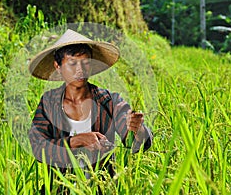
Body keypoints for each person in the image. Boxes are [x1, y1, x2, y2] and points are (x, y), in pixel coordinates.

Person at [28, 29, 153, 191]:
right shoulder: (48, 103)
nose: (80, 69)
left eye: (85, 62)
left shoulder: (109, 101)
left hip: (102, 188)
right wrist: (76, 141)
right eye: (72, 63)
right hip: (59, 189)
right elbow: (38, 147)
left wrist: (138, 129)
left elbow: (135, 143)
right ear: (58, 66)